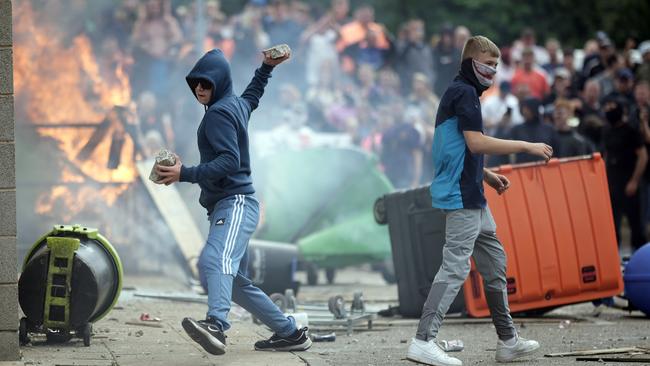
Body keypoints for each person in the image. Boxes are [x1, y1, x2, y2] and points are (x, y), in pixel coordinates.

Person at [154, 48, 312, 355]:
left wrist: (183, 173)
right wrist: (266, 67)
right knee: (237, 283)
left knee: (215, 260)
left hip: (235, 202)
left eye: (206, 83)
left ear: (219, 83)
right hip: (232, 204)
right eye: (196, 83)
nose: (200, 88)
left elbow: (229, 161)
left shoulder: (217, 114)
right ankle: (290, 333)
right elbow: (252, 96)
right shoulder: (234, 104)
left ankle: (216, 325)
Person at [406, 35, 550, 366]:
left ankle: (507, 340)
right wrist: (527, 146)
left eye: (497, 65)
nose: (493, 70)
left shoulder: (464, 93)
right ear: (472, 62)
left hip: (474, 195)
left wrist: (485, 176)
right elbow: (475, 142)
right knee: (455, 267)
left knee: (495, 266)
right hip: (460, 197)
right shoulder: (464, 92)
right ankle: (423, 340)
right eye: (488, 63)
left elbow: (455, 146)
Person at [603, 97, 648, 253]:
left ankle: (642, 259)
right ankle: (615, 262)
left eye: (612, 106)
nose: (609, 109)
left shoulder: (631, 131)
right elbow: (607, 155)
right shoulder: (607, 130)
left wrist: (634, 181)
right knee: (611, 225)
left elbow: (643, 156)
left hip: (630, 182)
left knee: (636, 226)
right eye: (607, 106)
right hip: (612, 182)